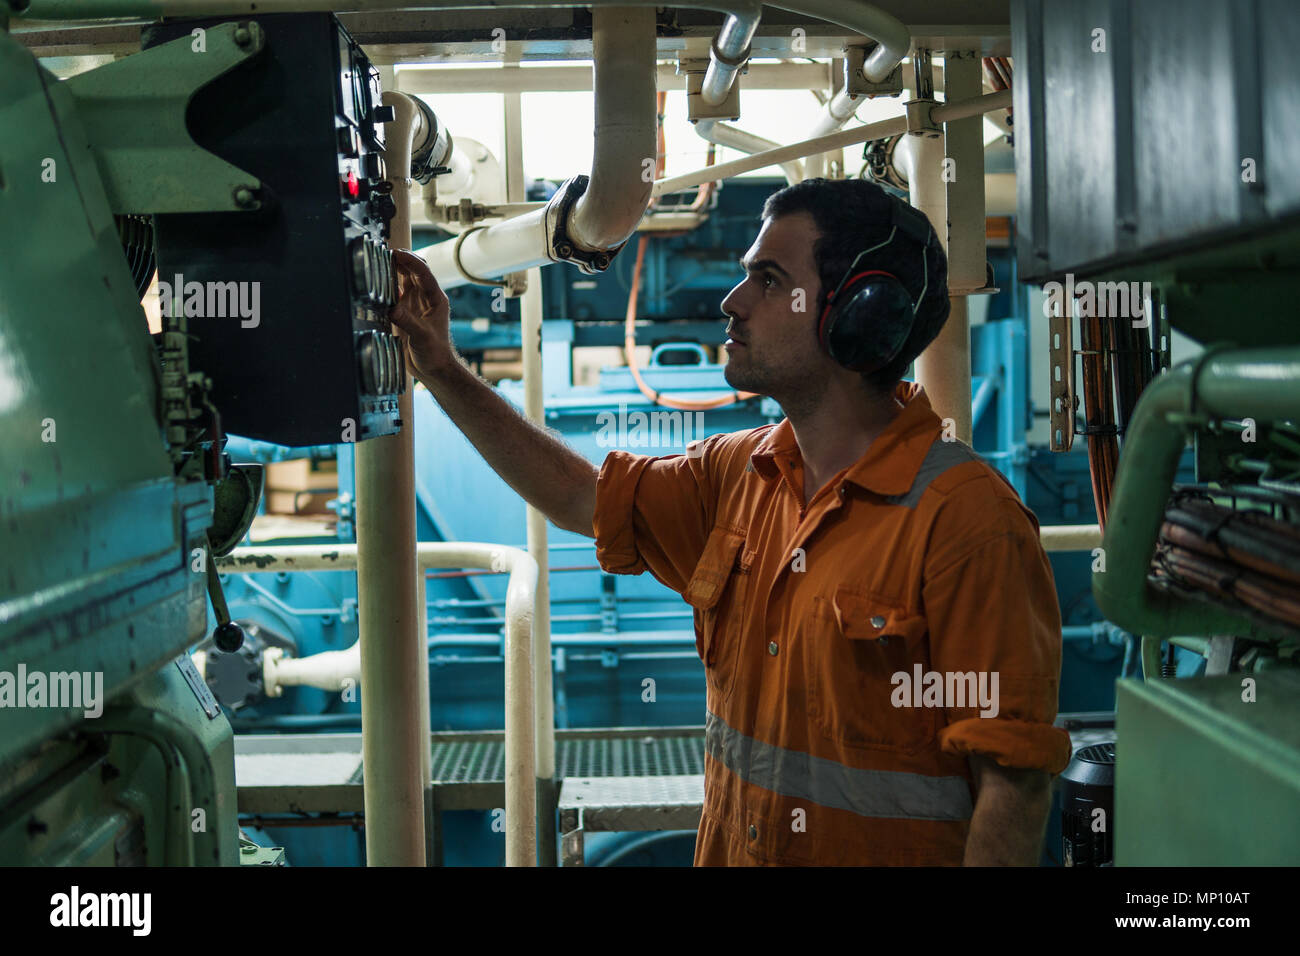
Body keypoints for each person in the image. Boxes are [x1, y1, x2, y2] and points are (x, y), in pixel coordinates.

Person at [388, 177, 1071, 866]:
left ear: (858, 313)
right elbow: (583, 499)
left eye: (768, 281)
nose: (731, 302)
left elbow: (1011, 792)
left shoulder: (968, 524)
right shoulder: (740, 474)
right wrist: (442, 369)